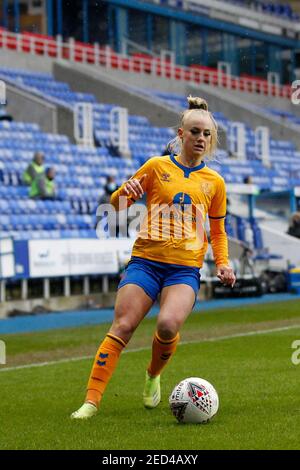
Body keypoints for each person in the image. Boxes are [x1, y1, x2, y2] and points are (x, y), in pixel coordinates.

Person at [71, 95, 236, 420]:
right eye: (195, 132)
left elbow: (218, 231)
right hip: (146, 262)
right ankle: (91, 402)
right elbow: (115, 208)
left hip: (184, 269)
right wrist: (123, 194)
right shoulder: (155, 166)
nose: (201, 139)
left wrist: (223, 262)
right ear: (181, 134)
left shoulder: (215, 182)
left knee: (167, 324)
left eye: (206, 134)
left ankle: (153, 374)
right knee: (123, 325)